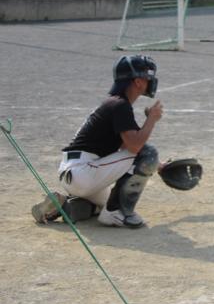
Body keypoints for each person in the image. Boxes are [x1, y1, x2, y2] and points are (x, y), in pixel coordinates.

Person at [31, 55, 163, 228]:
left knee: (104, 205)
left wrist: (159, 165)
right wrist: (152, 119)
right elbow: (136, 147)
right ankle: (117, 212)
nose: (150, 81)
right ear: (138, 82)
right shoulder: (120, 105)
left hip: (78, 173)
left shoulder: (114, 104)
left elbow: (126, 147)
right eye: (147, 78)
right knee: (148, 154)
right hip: (84, 172)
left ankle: (64, 205)